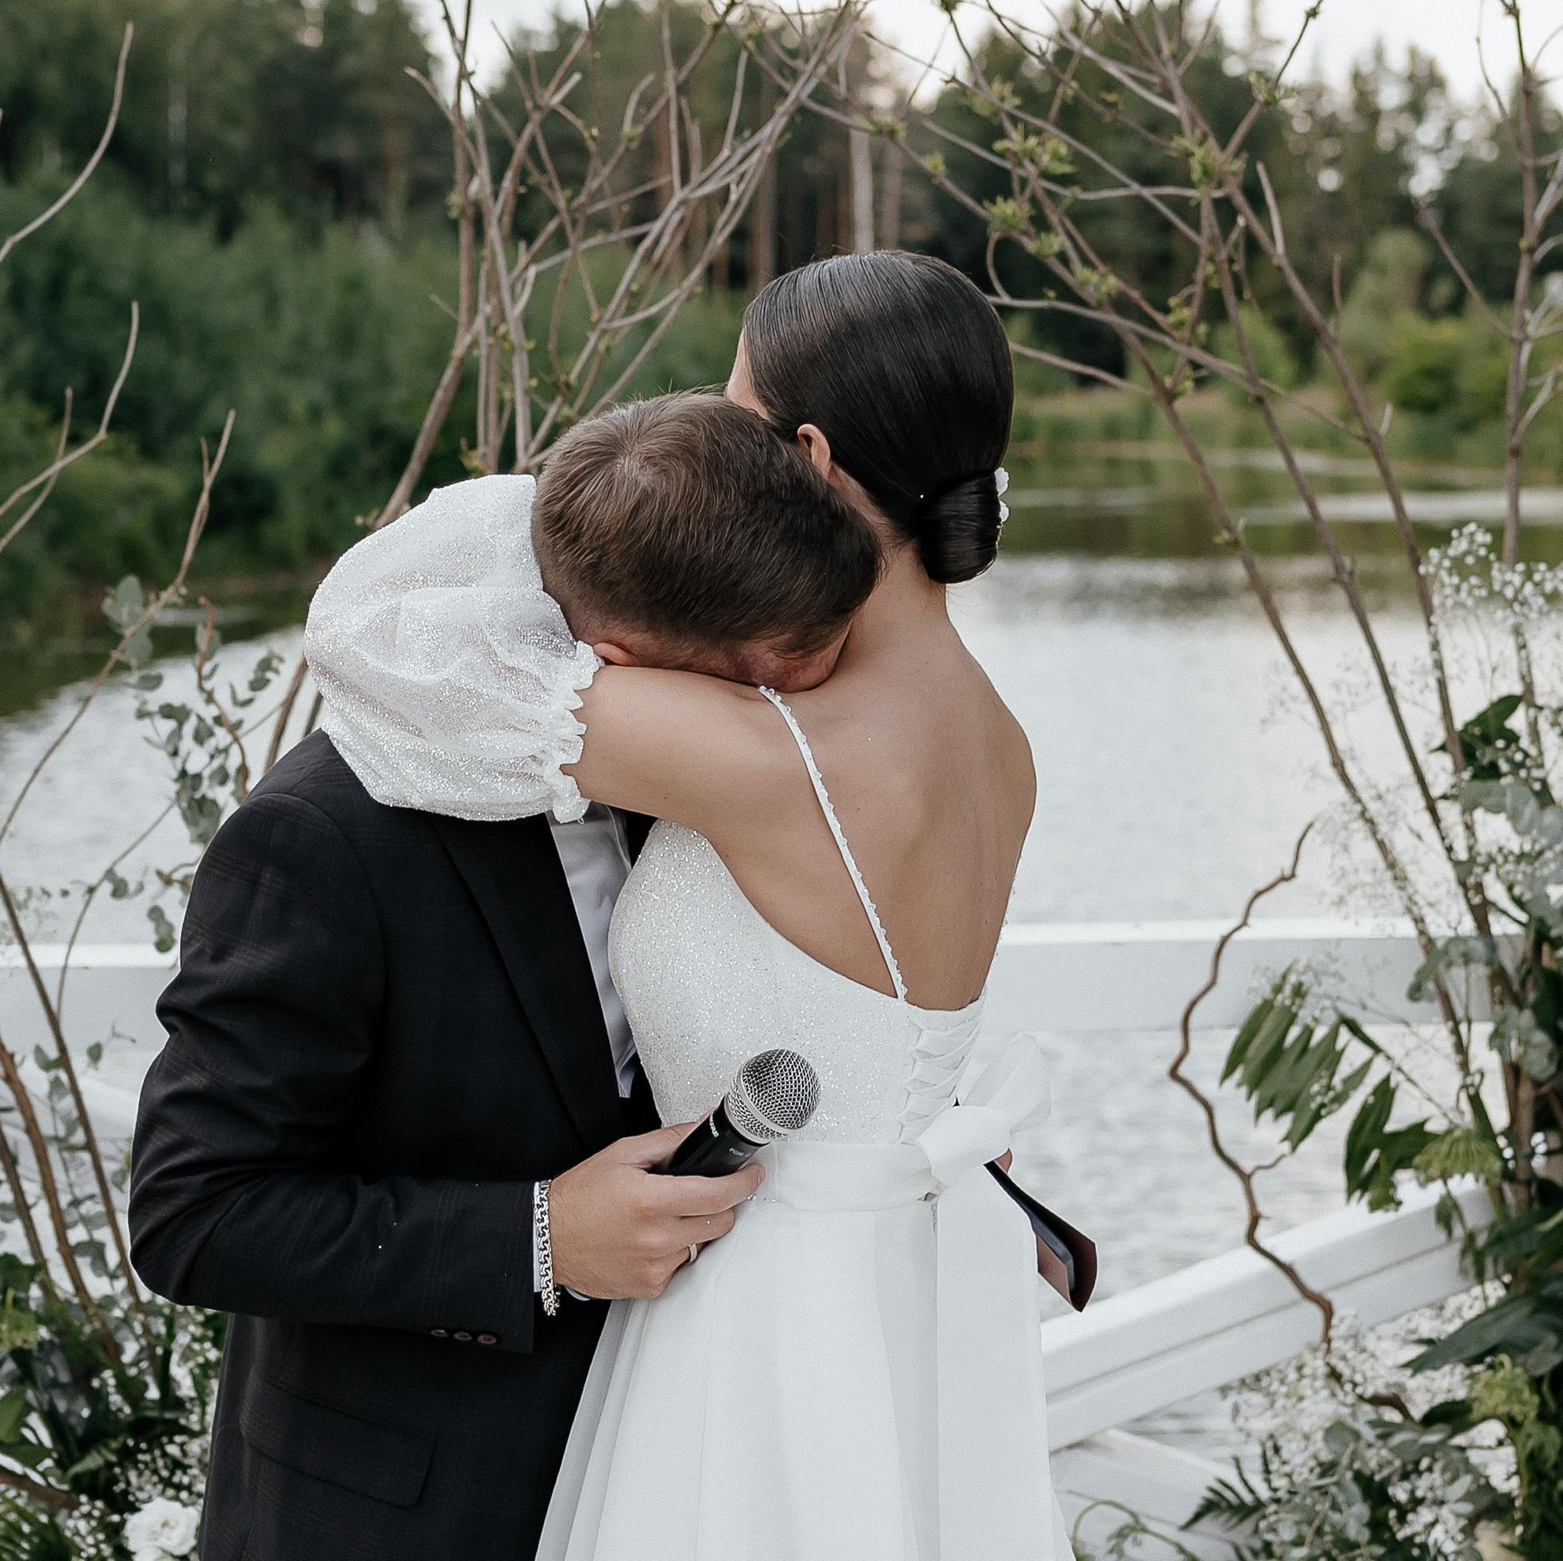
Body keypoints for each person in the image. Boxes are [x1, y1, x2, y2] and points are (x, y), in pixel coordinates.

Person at [298, 249, 1059, 1559]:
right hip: (902, 1290)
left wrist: (609, 490)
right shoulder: (993, 732)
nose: (708, 435)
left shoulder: (778, 758)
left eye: (729, 413)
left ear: (808, 458)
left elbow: (368, 630)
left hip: (763, 1316)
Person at [126, 392, 880, 1561]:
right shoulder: (319, 837)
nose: (800, 707)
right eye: (774, 672)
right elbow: (193, 1213)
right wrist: (537, 1236)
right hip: (403, 1511)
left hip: (668, 1462)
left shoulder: (691, 770)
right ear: (623, 662)